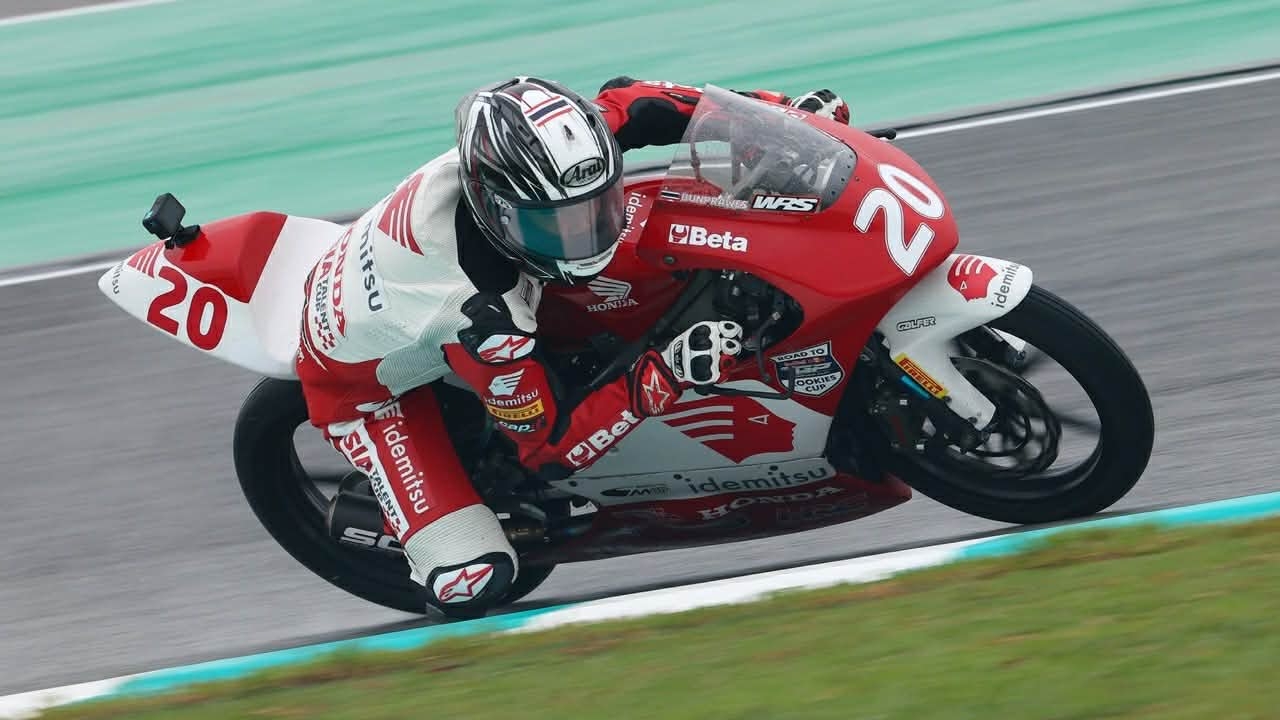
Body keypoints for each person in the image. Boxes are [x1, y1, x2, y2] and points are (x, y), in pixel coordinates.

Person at [294, 76, 851, 616]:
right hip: (367, 392)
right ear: (496, 210)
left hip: (418, 283)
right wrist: (664, 372)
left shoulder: (554, 156)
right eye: (555, 226)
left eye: (596, 208)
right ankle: (407, 522)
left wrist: (784, 119)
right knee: (473, 581)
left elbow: (642, 101)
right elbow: (550, 448)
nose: (585, 237)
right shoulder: (485, 317)